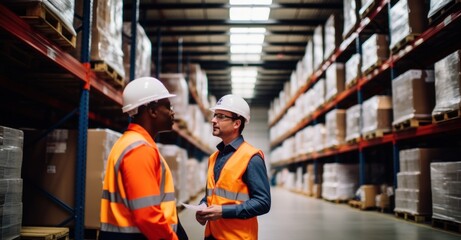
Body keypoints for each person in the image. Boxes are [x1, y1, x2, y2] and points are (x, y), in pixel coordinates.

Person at [99, 77, 188, 240]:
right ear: (152, 110)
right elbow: (147, 215)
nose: (172, 112)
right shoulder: (139, 149)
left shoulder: (132, 143)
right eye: (168, 106)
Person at [195, 94, 271, 240]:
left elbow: (263, 203)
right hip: (212, 235)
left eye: (221, 116)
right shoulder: (214, 157)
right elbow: (213, 194)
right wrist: (203, 206)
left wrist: (224, 211)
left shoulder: (251, 157)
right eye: (214, 115)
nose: (213, 120)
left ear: (236, 123)